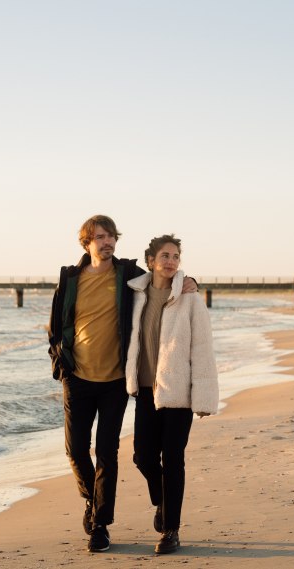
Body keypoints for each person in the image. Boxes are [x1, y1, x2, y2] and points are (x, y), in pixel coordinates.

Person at [47, 215, 195, 553]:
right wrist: (59, 361)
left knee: (108, 454)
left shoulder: (128, 274)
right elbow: (57, 325)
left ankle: (101, 525)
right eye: (99, 236)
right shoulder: (70, 279)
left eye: (111, 235)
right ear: (87, 242)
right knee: (75, 449)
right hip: (78, 377)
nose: (106, 242)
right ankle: (91, 499)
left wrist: (191, 280)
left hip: (115, 380)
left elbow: (164, 273)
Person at [125, 234, 219, 555]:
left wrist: (204, 398)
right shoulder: (134, 294)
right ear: (150, 260)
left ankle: (171, 531)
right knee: (143, 457)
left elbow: (202, 350)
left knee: (173, 459)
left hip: (178, 395)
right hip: (146, 391)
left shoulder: (190, 298)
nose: (170, 261)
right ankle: (162, 501)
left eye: (176, 256)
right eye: (164, 255)